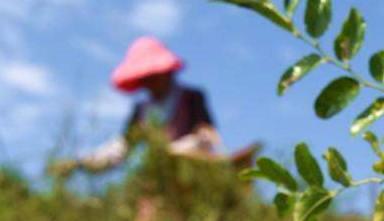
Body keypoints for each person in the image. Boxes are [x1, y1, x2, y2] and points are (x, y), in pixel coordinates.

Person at [59, 37, 255, 173]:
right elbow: (121, 147)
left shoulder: (192, 98)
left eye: (153, 76)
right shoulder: (140, 111)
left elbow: (207, 135)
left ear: (167, 72)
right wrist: (82, 163)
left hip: (194, 177)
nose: (149, 83)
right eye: (144, 78)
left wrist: (179, 150)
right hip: (157, 183)